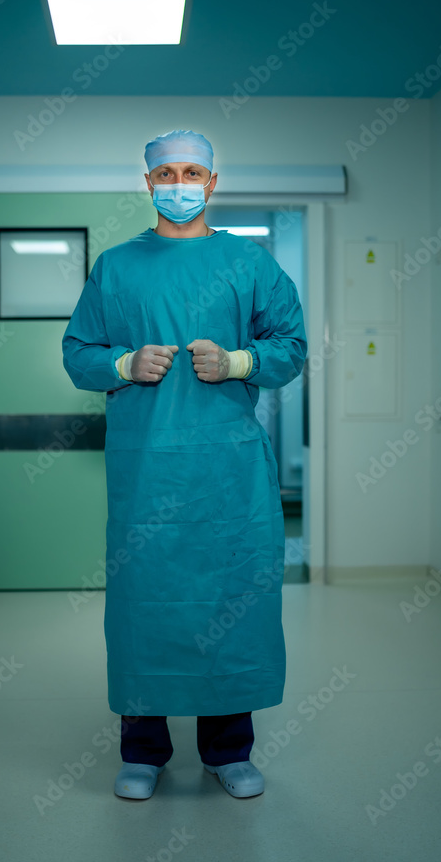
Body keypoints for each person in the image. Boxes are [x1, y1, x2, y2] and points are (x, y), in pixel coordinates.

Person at [62, 129, 307, 801]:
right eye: (165, 171)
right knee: (146, 604)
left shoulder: (249, 263)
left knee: (231, 599)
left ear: (212, 182)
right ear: (147, 183)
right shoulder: (116, 266)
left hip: (227, 473)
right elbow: (78, 350)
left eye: (191, 171)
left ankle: (228, 750)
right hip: (147, 473)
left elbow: (290, 343)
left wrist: (239, 362)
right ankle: (143, 751)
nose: (178, 182)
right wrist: (120, 364)